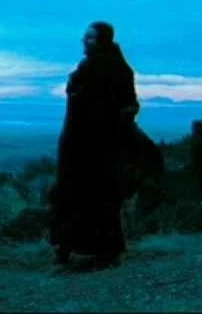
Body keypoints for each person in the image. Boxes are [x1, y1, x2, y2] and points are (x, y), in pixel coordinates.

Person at [49, 21, 140, 270]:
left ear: (102, 40)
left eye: (90, 38)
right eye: (85, 37)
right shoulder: (87, 66)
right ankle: (68, 245)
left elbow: (128, 106)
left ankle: (104, 251)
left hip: (101, 146)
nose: (84, 41)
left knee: (100, 196)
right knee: (72, 193)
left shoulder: (118, 69)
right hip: (77, 143)